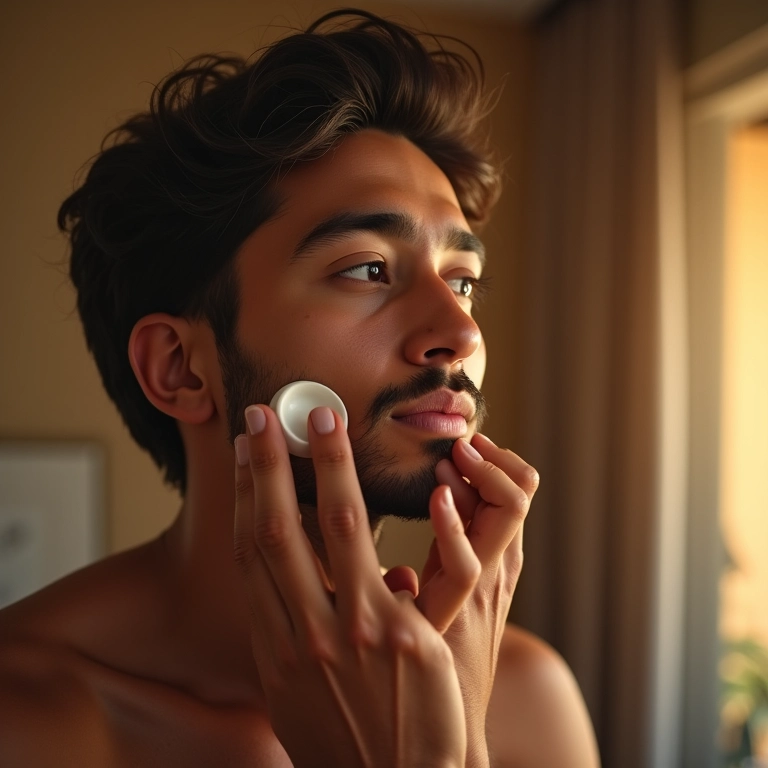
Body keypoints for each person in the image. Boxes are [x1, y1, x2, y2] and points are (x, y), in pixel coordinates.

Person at [0, 9, 600, 766]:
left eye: (463, 280)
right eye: (367, 269)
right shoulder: (26, 723)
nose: (463, 334)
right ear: (180, 368)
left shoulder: (524, 695)